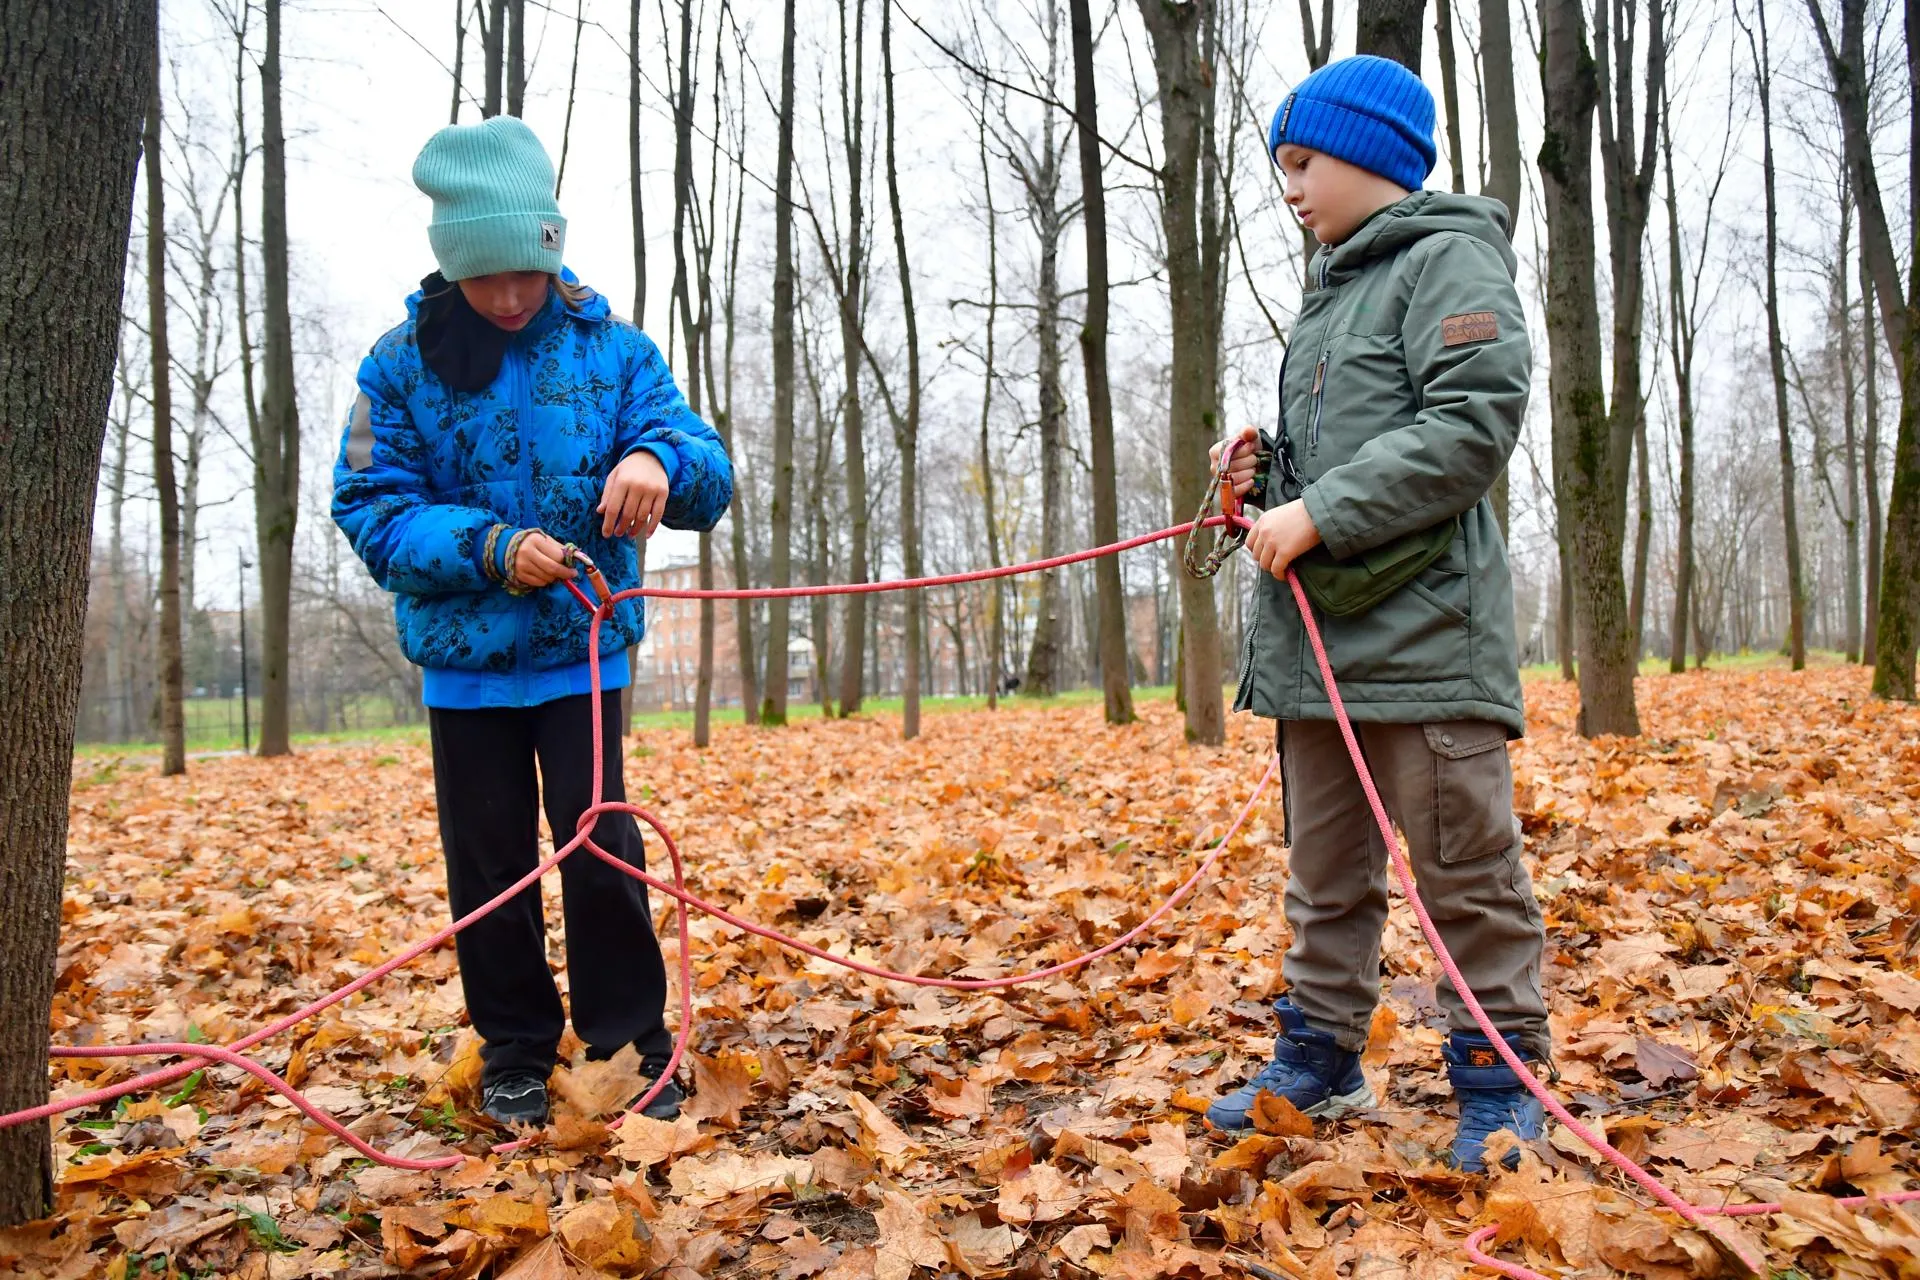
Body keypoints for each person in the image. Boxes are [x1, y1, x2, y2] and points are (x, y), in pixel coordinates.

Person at [333, 116, 732, 1128]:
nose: (509, 297)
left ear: (552, 249)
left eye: (525, 271)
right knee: (490, 860)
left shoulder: (617, 352)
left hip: (583, 653)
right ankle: (513, 1044)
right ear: (452, 266)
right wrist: (488, 548)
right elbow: (371, 508)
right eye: (486, 277)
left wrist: (657, 462)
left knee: (602, 849)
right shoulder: (397, 368)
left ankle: (627, 1041)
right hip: (464, 667)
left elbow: (704, 463)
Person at [1203, 55, 1548, 1173]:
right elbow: (1345, 452)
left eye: (1302, 162)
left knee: (1465, 870)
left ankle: (1501, 1080)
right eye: (1281, 168)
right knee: (1325, 873)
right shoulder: (1333, 289)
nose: (1290, 186)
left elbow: (1468, 428)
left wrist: (1320, 511)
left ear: (1369, 154)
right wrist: (1259, 480)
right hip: (1318, 649)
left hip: (1426, 639)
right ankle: (1322, 1057)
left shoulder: (1450, 259)